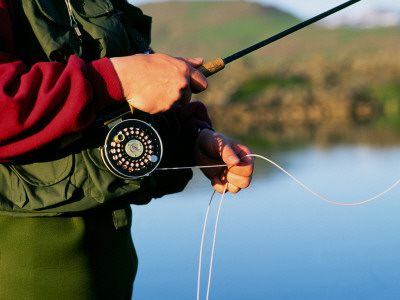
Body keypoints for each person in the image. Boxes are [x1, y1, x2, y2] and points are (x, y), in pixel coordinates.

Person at [0, 0, 254, 299]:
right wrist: (117, 78)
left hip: (113, 252)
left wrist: (192, 138)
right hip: (23, 256)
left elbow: (119, 107)